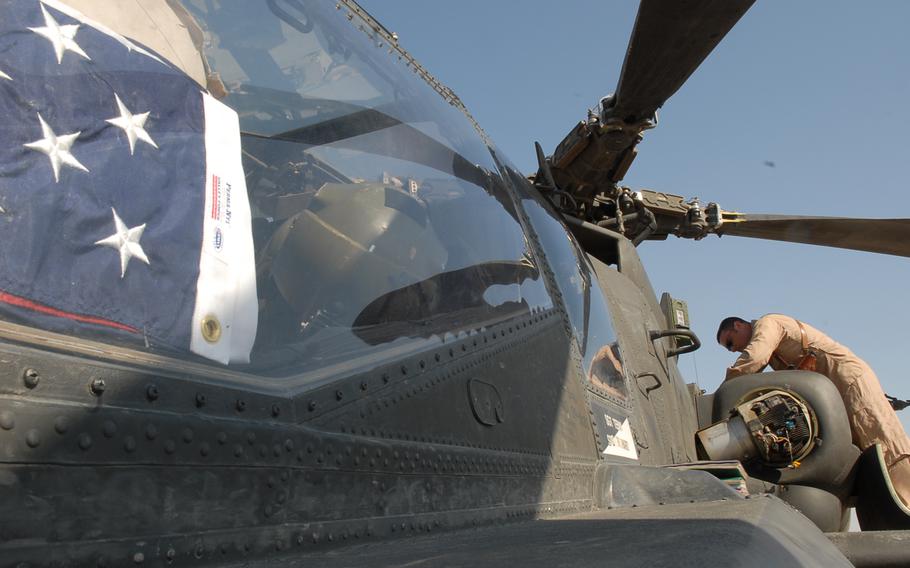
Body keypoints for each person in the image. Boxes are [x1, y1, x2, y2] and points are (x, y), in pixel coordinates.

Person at [716, 314, 910, 508]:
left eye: (730, 343)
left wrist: (723, 393)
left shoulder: (768, 324)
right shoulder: (775, 349)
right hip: (833, 395)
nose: (734, 350)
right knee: (864, 455)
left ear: (738, 325)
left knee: (885, 442)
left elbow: (755, 357)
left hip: (848, 381)